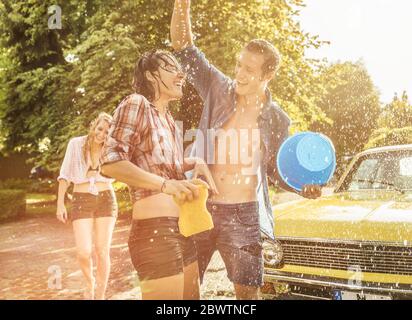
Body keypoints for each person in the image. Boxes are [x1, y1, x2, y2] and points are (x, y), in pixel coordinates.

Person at [171, 0, 322, 300]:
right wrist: (182, 4)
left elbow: (279, 170)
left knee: (247, 297)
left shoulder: (277, 118)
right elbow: (183, 48)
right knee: (185, 293)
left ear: (267, 75)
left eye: (249, 69)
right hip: (200, 205)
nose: (239, 73)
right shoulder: (216, 87)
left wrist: (304, 187)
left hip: (244, 215)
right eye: (239, 64)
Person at [100, 49, 217, 300]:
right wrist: (166, 185)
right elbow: (110, 162)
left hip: (182, 227)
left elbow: (161, 165)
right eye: (171, 68)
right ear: (152, 75)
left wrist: (194, 162)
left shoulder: (168, 121)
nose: (181, 73)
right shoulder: (136, 103)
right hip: (154, 232)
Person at [56, 112, 118, 300]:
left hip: (106, 198)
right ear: (93, 126)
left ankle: (99, 294)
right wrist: (60, 203)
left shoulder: (111, 149)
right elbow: (65, 175)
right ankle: (89, 284)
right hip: (81, 200)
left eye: (107, 132)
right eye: (100, 129)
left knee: (102, 250)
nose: (102, 134)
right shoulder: (76, 144)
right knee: (84, 252)